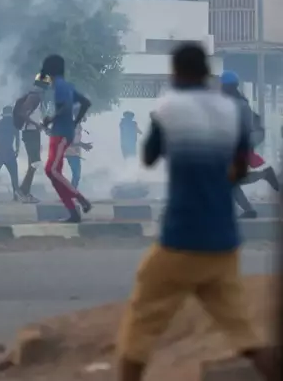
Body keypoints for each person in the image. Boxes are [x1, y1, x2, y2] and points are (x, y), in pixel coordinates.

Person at [116, 43, 275, 381]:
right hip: (223, 242)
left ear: (175, 71)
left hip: (181, 239)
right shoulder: (231, 111)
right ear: (206, 71)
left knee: (141, 320)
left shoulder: (169, 107)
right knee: (243, 332)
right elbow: (241, 169)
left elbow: (148, 157)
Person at [220, 71, 280, 218]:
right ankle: (249, 210)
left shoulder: (236, 104)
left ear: (227, 86)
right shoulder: (236, 101)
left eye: (222, 85)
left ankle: (264, 176)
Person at [41, 54, 92, 223]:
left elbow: (65, 107)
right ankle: (73, 213)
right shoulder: (67, 85)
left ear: (50, 70)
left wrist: (51, 118)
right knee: (52, 173)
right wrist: (75, 122)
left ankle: (80, 198)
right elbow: (85, 103)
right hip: (61, 132)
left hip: (61, 133)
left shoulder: (60, 86)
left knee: (53, 171)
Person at [13, 73, 51, 204]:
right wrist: (36, 125)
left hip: (33, 132)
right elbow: (22, 113)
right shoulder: (34, 97)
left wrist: (43, 128)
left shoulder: (35, 97)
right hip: (30, 133)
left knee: (33, 164)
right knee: (35, 163)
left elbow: (32, 116)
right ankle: (23, 192)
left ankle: (24, 192)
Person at [64, 114, 93, 190]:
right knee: (76, 174)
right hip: (70, 153)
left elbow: (76, 140)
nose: (85, 117)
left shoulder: (78, 126)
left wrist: (83, 145)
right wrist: (83, 145)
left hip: (75, 153)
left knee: (77, 174)